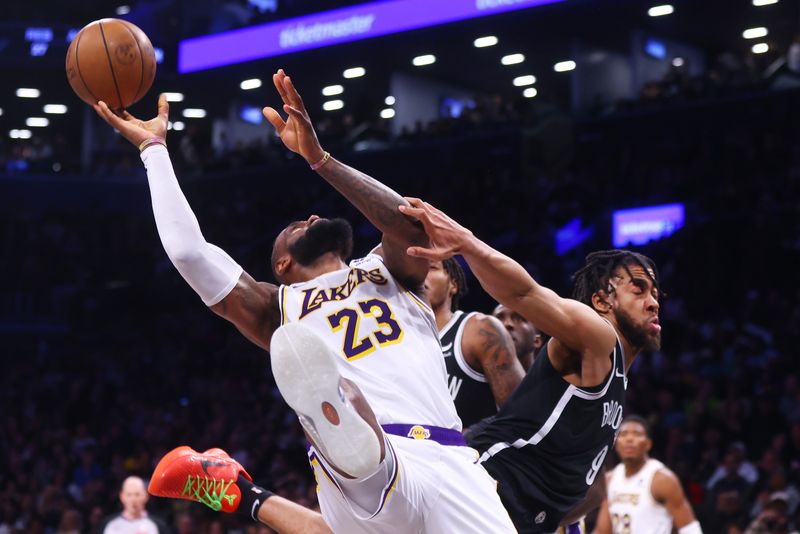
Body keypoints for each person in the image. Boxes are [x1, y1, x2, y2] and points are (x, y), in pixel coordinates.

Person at [92, 69, 516, 534]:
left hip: (451, 457)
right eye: (295, 226)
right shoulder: (277, 306)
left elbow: (413, 225)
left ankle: (333, 419)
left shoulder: (388, 270)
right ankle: (339, 416)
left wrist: (321, 160)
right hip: (371, 472)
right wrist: (153, 151)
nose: (311, 215)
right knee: (356, 439)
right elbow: (189, 253)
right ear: (282, 265)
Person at [426, 258, 525, 428]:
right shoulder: (398, 343)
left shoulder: (479, 329)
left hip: (472, 452)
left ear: (453, 284)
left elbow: (522, 414)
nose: (421, 275)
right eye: (417, 269)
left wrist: (469, 438)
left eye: (431, 268)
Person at [593, 415, 701, 534]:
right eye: (623, 434)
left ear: (648, 444)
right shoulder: (610, 479)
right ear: (616, 443)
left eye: (637, 434)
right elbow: (602, 531)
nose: (629, 439)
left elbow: (689, 528)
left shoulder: (662, 479)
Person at [101, 476, 170, 534]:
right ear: (122, 496)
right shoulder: (108, 524)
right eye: (129, 495)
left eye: (137, 494)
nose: (133, 500)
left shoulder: (158, 525)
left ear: (146, 496)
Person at [493, 303, 546, 371]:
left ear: (537, 340)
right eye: (498, 320)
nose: (507, 324)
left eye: (519, 318)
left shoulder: (556, 379)